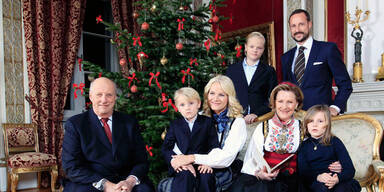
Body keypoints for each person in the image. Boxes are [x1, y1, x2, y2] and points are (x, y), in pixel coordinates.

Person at [228, 83, 342, 192]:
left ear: (296, 104)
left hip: (294, 180)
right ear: (274, 103)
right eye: (280, 101)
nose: (284, 106)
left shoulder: (305, 127)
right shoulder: (262, 127)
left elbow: (319, 152)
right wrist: (259, 173)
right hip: (264, 179)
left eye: (290, 102)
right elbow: (251, 158)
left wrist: (335, 164)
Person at [62, 77, 154, 192]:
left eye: (109, 95)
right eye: (99, 95)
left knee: (145, 190)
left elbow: (141, 161)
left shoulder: (129, 122)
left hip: (125, 181)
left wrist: (130, 182)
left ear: (115, 97)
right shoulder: (75, 125)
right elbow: (71, 167)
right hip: (91, 181)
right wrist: (105, 185)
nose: (104, 100)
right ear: (90, 97)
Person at [171, 75, 247, 191]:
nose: (215, 98)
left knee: (205, 179)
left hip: (224, 170)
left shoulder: (237, 122)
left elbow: (226, 158)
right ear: (207, 96)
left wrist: (195, 159)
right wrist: (183, 160)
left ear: (229, 97)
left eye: (221, 94)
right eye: (212, 93)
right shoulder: (199, 116)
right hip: (196, 166)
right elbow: (179, 141)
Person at [281, 9, 353, 116]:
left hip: (321, 118)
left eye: (301, 24)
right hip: (294, 118)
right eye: (293, 26)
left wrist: (335, 107)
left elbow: (345, 84)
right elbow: (286, 90)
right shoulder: (286, 57)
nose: (297, 29)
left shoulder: (327, 49)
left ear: (309, 24)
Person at [161, 87, 218, 192]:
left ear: (198, 104)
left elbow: (214, 146)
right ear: (177, 107)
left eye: (191, 103)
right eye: (182, 105)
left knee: (206, 177)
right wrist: (174, 161)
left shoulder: (207, 122)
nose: (187, 108)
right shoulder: (175, 125)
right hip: (182, 164)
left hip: (202, 162)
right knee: (184, 176)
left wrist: (208, 163)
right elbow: (166, 148)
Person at [298, 105, 361, 192]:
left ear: (327, 125)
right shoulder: (303, 146)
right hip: (316, 180)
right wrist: (318, 177)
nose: (314, 124)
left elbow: (350, 169)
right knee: (320, 188)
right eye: (311, 121)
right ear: (306, 124)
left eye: (320, 121)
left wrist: (337, 179)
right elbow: (303, 171)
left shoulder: (335, 142)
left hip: (335, 179)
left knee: (342, 188)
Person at [226, 31, 277, 124]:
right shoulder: (232, 70)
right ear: (245, 47)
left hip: (260, 119)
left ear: (263, 49)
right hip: (235, 119)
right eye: (252, 46)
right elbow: (227, 95)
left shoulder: (269, 71)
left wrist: (256, 114)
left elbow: (273, 98)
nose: (255, 50)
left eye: (259, 48)